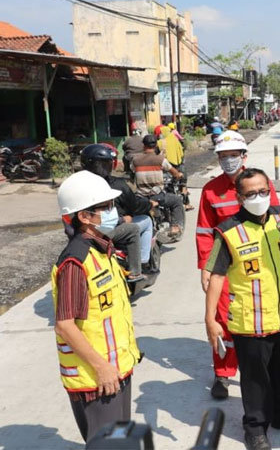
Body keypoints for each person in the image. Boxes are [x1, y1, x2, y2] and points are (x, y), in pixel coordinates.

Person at [205, 168, 280, 450]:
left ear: (270, 189)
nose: (258, 197)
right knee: (255, 381)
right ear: (239, 197)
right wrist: (210, 319)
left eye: (263, 191)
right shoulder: (227, 231)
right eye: (251, 193)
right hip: (249, 323)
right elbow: (216, 276)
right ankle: (255, 427)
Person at [52, 170, 141, 443]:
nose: (113, 211)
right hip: (95, 377)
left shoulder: (102, 250)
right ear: (84, 216)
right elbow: (65, 324)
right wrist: (101, 367)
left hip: (115, 370)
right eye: (106, 207)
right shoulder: (75, 262)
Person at [196, 130, 280, 400]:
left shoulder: (259, 183)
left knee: (258, 317)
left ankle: (254, 370)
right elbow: (204, 231)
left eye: (233, 155)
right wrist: (205, 268)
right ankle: (222, 373)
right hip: (225, 266)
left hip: (258, 264)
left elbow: (277, 222)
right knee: (223, 319)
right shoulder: (211, 190)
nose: (228, 160)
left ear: (244, 156)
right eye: (223, 156)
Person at [81, 144, 156, 280]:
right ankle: (139, 267)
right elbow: (134, 205)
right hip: (103, 231)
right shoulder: (115, 184)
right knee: (142, 223)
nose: (103, 168)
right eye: (102, 164)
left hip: (81, 232)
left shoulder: (78, 184)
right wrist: (148, 205)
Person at [131, 135, 186, 239]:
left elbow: (133, 170)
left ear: (143, 145)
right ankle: (175, 227)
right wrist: (178, 175)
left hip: (140, 197)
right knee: (177, 201)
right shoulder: (160, 159)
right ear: (156, 145)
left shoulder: (135, 160)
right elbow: (173, 172)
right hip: (157, 196)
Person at [159, 125, 193, 211]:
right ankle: (187, 203)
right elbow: (181, 153)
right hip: (177, 166)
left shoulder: (159, 142)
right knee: (183, 184)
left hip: (164, 167)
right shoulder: (175, 140)